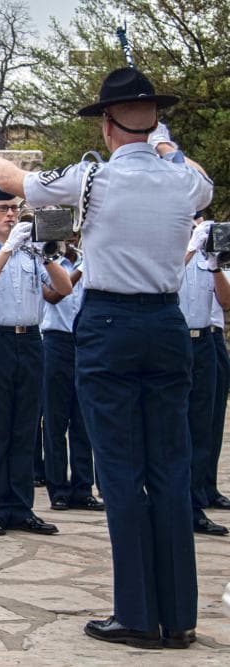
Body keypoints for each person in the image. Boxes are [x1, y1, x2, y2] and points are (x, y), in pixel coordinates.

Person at [0, 64, 213, 648]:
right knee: (170, 467)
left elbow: (10, 178)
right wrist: (166, 142)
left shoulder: (92, 180)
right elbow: (199, 178)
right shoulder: (183, 180)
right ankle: (177, 616)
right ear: (152, 123)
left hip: (108, 321)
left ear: (106, 126)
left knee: (122, 470)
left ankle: (135, 612)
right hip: (166, 321)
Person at [0, 182, 72, 538]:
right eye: (3, 209)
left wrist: (47, 253)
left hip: (30, 341)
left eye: (14, 208)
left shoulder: (32, 253)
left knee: (26, 427)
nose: (11, 214)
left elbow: (64, 289)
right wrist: (7, 249)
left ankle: (21, 507)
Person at [40, 242, 103, 512]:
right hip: (55, 342)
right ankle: (58, 488)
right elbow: (54, 295)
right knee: (56, 420)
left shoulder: (85, 260)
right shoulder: (44, 263)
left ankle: (83, 487)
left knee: (83, 420)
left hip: (86, 342)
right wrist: (80, 268)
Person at [179, 215, 230, 536]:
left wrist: (213, 264)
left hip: (206, 342)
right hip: (174, 342)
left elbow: (225, 301)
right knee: (174, 428)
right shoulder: (168, 250)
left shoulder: (211, 252)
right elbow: (163, 280)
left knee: (202, 426)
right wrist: (190, 246)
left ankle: (197, 501)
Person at [207, 297, 230, 512]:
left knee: (214, 418)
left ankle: (208, 485)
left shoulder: (218, 265)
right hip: (182, 333)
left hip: (213, 335)